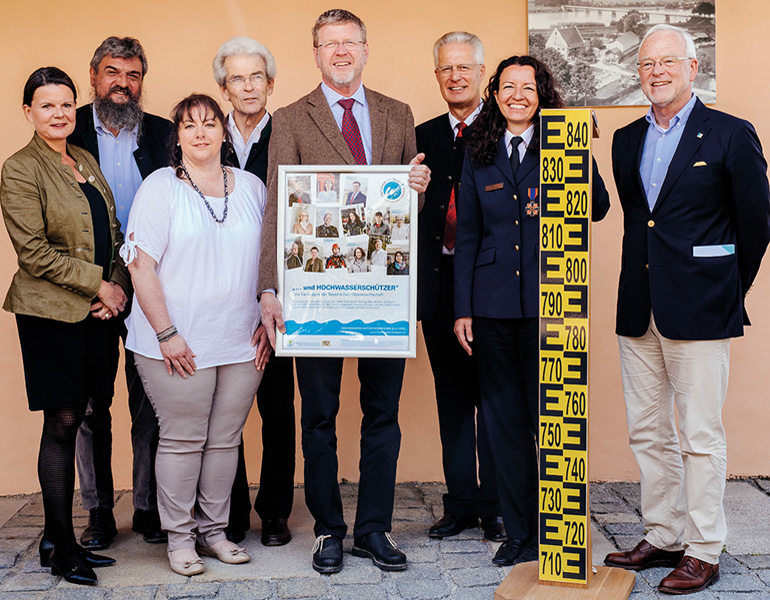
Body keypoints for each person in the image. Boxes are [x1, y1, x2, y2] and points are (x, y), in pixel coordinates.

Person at [256, 8, 430, 574]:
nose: (340, 51)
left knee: (383, 413)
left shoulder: (397, 113)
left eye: (349, 42)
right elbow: (277, 212)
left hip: (384, 297)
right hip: (316, 298)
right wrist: (267, 287)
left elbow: (406, 213)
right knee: (320, 418)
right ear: (315, 53)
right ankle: (330, 530)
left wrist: (418, 188)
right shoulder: (289, 118)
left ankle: (374, 529)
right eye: (329, 43)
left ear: (364, 48)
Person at [603, 25, 770, 595]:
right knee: (649, 432)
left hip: (701, 308)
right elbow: (639, 223)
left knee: (700, 434)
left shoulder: (729, 133)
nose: (656, 71)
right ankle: (664, 532)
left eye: (668, 62)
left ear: (693, 68)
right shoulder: (625, 140)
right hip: (638, 307)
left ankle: (704, 549)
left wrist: (727, 288)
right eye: (647, 63)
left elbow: (755, 223)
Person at [454, 55, 610, 566]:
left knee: (556, 422)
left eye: (529, 86)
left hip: (555, 303)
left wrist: (578, 151)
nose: (517, 95)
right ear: (495, 93)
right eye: (508, 87)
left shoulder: (562, 142)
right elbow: (470, 234)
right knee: (505, 425)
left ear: (542, 93)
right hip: (495, 308)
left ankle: (557, 533)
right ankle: (519, 534)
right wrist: (464, 309)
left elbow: (599, 206)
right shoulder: (478, 151)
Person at [120, 94, 269, 576]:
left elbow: (271, 257)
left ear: (224, 132)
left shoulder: (249, 186)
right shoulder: (160, 188)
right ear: (177, 136)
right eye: (189, 125)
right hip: (176, 341)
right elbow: (141, 267)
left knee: (225, 440)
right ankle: (180, 538)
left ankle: (214, 531)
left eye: (209, 123)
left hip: (240, 338)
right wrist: (166, 333)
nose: (200, 132)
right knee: (184, 439)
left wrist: (267, 320)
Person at [1, 67, 129, 586]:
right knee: (61, 422)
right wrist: (100, 285)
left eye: (66, 104)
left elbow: (115, 231)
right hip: (51, 317)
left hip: (98, 315)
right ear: (28, 111)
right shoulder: (19, 169)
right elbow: (34, 253)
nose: (58, 114)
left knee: (96, 412)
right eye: (46, 105)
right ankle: (60, 545)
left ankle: (68, 534)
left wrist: (115, 288)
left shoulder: (84, 159)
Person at [67, 36, 173, 550]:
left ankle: (149, 507)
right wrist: (99, 284)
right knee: (91, 405)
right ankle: (99, 511)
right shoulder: (69, 132)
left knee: (150, 402)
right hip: (89, 289)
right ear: (93, 75)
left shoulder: (162, 133)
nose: (122, 84)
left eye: (132, 75)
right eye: (112, 73)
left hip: (150, 287)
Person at [416, 31, 504, 543]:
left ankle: (494, 505)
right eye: (446, 69)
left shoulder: (509, 127)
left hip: (492, 290)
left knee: (491, 399)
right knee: (451, 399)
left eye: (464, 68)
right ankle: (460, 504)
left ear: (481, 72)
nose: (455, 77)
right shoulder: (422, 134)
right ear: (437, 76)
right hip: (439, 285)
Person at [214, 35, 296, 548]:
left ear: (270, 83)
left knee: (276, 404)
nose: (248, 86)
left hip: (280, 290)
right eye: (236, 78)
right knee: (226, 407)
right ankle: (233, 510)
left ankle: (275, 511)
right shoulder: (202, 133)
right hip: (220, 291)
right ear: (223, 87)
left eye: (256, 77)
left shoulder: (290, 129)